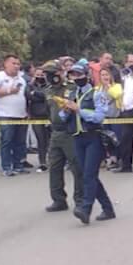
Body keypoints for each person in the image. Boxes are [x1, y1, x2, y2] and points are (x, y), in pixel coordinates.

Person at [60, 62, 115, 224]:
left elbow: (99, 117)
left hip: (93, 137)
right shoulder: (71, 94)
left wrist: (79, 110)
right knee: (87, 175)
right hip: (78, 137)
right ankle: (108, 208)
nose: (76, 78)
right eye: (73, 75)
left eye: (79, 74)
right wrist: (65, 110)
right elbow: (63, 118)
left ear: (87, 75)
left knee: (89, 175)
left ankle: (86, 208)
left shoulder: (97, 94)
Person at [42, 63, 84, 214]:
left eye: (52, 73)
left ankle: (80, 200)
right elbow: (48, 111)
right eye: (47, 74)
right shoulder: (48, 91)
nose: (50, 76)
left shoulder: (70, 88)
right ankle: (58, 200)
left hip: (69, 133)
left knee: (76, 167)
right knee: (54, 167)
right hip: (55, 133)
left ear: (61, 72)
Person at [0, 55, 30, 176]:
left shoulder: (21, 79)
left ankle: (19, 165)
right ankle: (7, 167)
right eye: (13, 63)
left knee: (20, 142)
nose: (16, 66)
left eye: (18, 64)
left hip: (21, 114)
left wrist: (27, 111)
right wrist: (8, 91)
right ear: (5, 64)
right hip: (5, 114)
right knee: (7, 140)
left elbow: (24, 96)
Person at [26, 61, 59, 171]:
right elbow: (29, 97)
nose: (40, 77)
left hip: (49, 116)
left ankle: (53, 161)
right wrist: (37, 95)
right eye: (38, 75)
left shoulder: (50, 86)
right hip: (36, 116)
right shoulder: (30, 86)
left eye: (42, 75)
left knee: (51, 140)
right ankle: (42, 162)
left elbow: (48, 96)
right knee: (41, 140)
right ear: (34, 75)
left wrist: (36, 94)